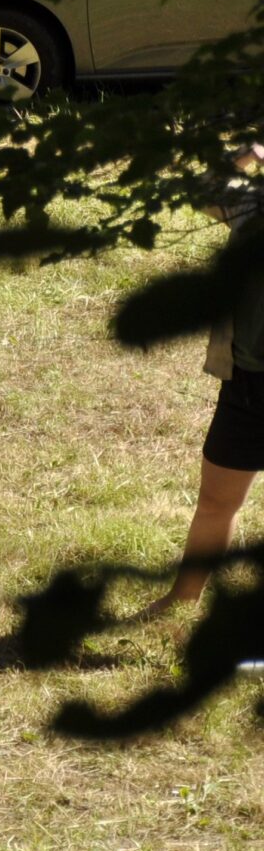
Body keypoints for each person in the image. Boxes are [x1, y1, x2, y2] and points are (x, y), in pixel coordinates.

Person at [144, 140, 264, 617]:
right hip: (246, 380)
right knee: (216, 501)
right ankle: (182, 599)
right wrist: (245, 154)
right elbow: (201, 190)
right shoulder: (253, 206)